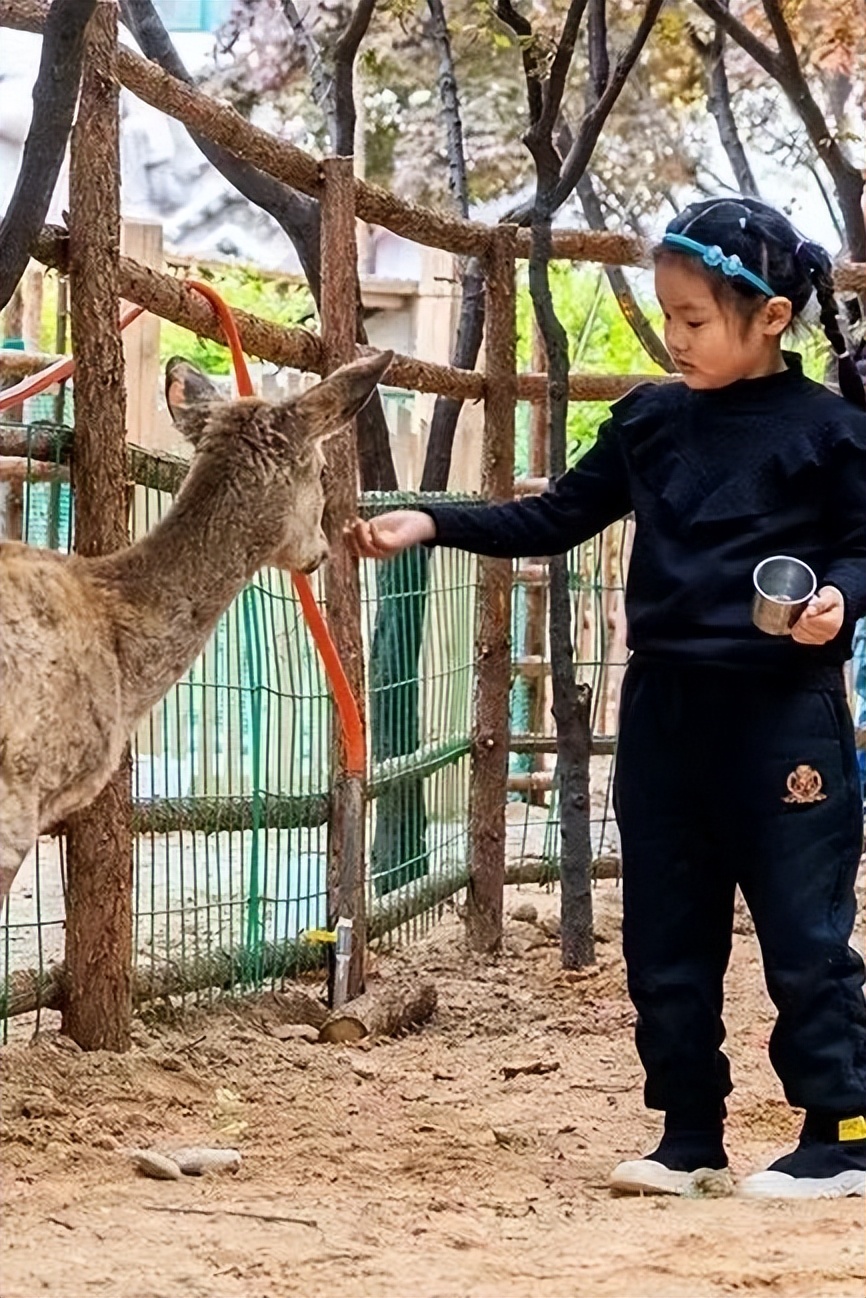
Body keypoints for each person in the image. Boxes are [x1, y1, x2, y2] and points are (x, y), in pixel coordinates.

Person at [346, 197, 866, 1200]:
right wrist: (431, 520)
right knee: (664, 932)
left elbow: (862, 547)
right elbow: (552, 515)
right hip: (665, 715)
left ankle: (839, 1126)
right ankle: (688, 1132)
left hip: (783, 718)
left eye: (694, 319)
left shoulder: (832, 431)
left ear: (767, 318)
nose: (673, 337)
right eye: (665, 315)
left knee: (804, 934)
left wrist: (839, 598)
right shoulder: (647, 423)